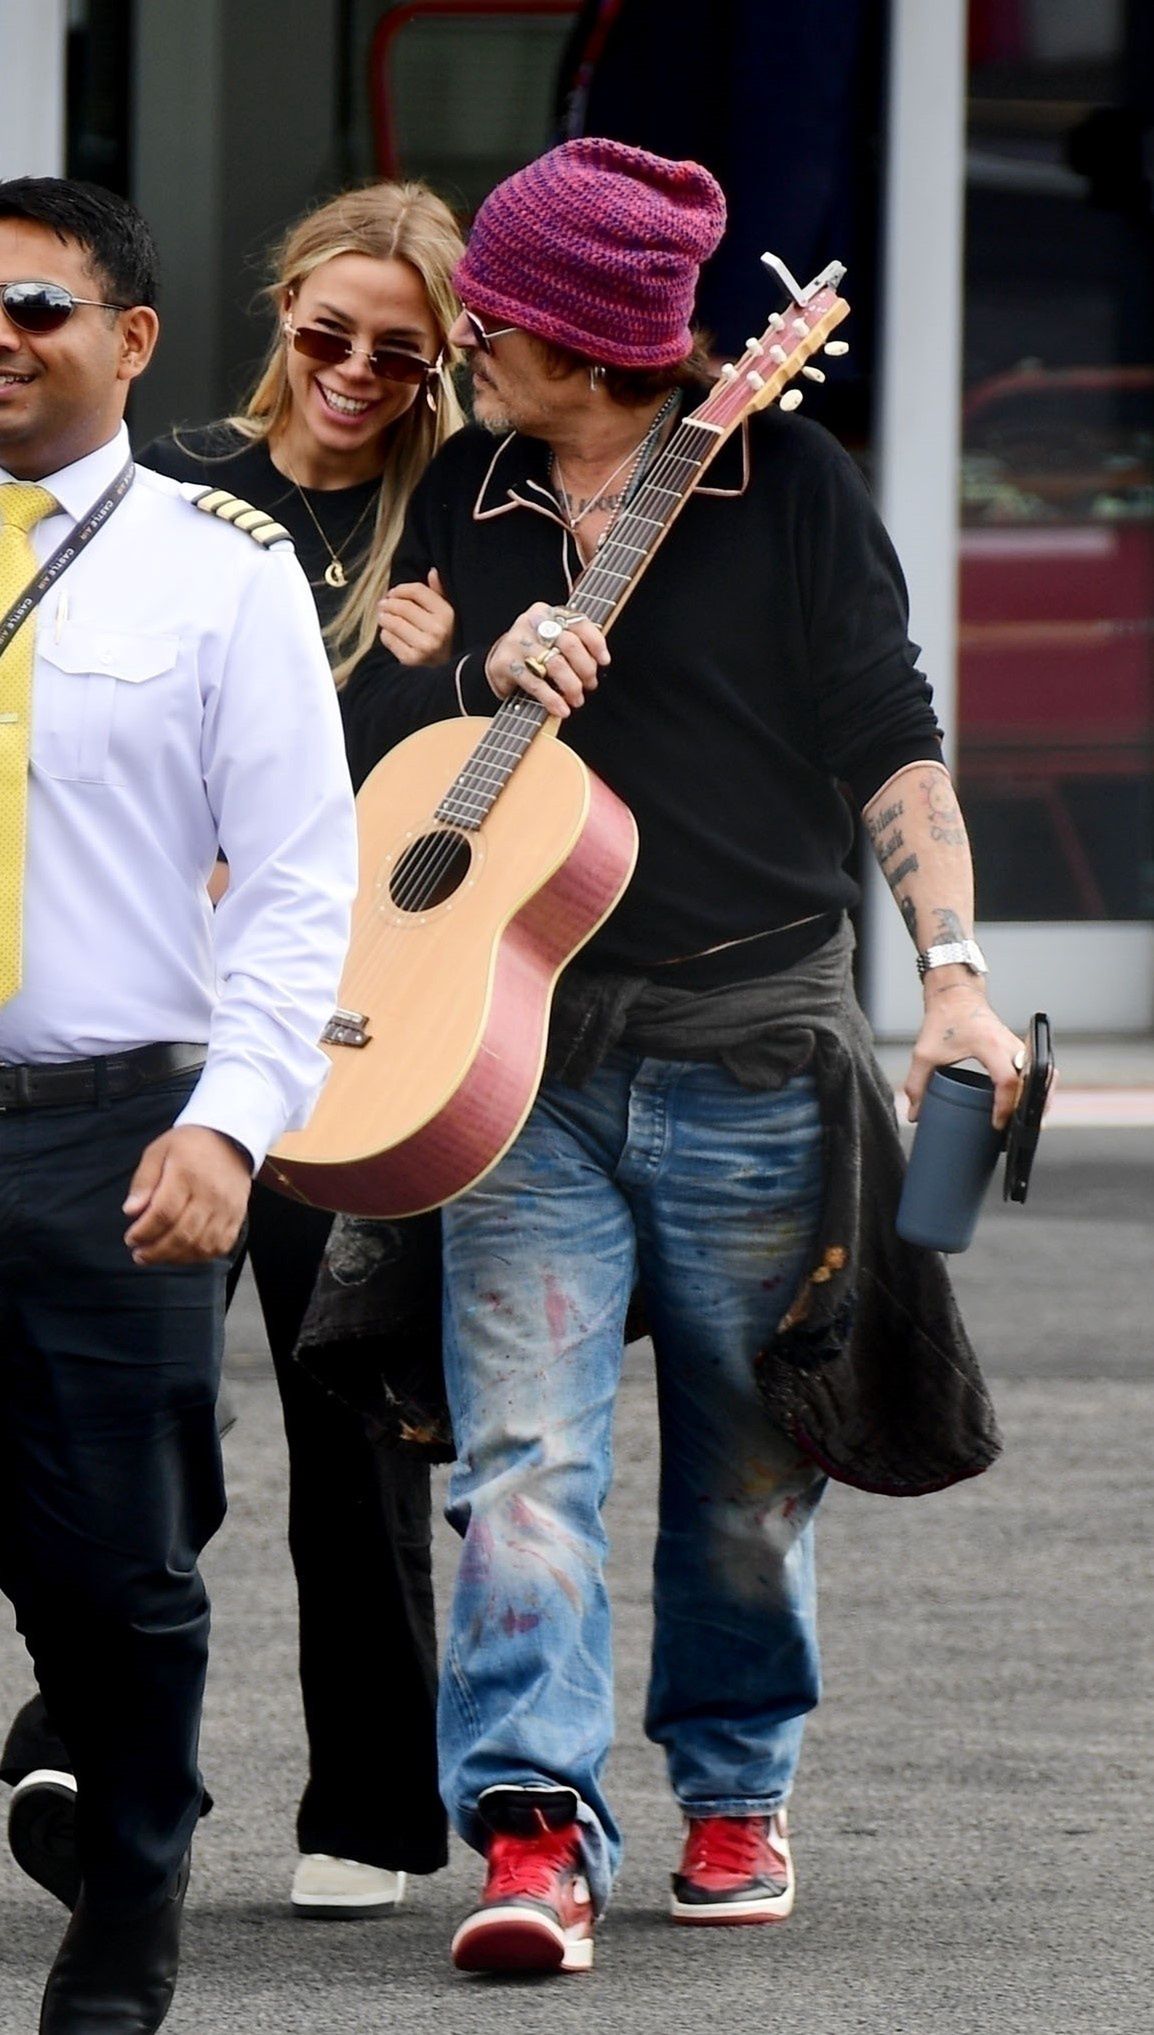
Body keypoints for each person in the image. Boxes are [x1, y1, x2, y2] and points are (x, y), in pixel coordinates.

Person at [339, 136, 1020, 1977]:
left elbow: (890, 735)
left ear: (584, 340)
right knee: (518, 1463)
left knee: (745, 1465)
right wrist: (478, 673)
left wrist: (951, 975)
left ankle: (732, 1786)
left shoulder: (785, 481)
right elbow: (388, 748)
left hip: (746, 1037)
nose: (466, 338)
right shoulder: (470, 487)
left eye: (497, 318)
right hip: (518, 1055)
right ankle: (531, 1828)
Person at [3, 182, 465, 1923]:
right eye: (325, 330)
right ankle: (95, 1742)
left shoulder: (465, 520)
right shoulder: (161, 481)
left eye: (401, 352)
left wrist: (467, 668)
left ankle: (367, 1806)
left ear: (447, 363)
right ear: (274, 314)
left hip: (377, 1019)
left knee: (349, 1410)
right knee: (135, 1427)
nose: (354, 370)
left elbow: (498, 772)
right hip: (163, 1035)